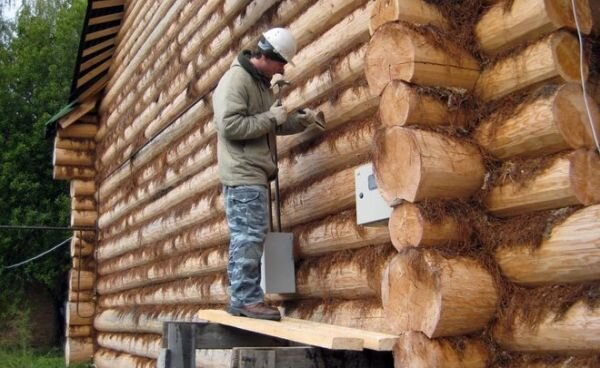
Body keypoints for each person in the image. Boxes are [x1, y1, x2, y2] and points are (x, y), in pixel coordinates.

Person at [212, 28, 323, 321]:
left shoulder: (259, 83)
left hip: (253, 173)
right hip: (243, 172)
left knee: (248, 235)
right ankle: (247, 300)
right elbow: (230, 126)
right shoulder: (237, 80)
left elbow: (266, 125)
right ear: (268, 56)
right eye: (282, 62)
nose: (283, 69)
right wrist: (269, 117)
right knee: (248, 236)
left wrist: (298, 121)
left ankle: (243, 298)